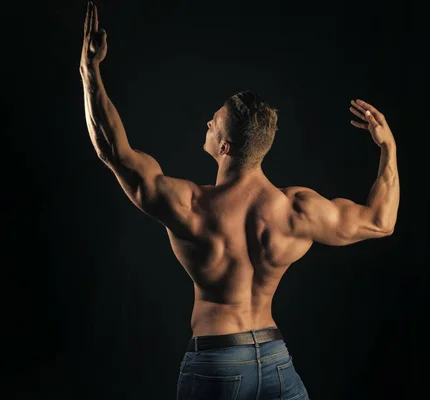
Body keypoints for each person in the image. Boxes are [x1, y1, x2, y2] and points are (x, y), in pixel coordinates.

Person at [80, 2, 400, 399]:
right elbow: (380, 222)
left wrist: (89, 72)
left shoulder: (190, 205)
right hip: (277, 360)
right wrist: (389, 149)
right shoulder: (295, 210)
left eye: (214, 123)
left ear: (225, 146)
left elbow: (113, 151)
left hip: (217, 365)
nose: (209, 123)